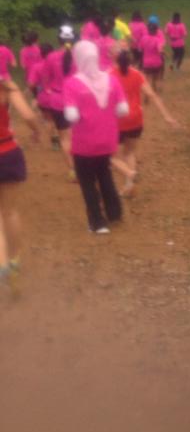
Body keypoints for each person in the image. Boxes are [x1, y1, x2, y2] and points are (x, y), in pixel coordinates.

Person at [63, 40, 128, 234]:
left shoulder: (72, 83)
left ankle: (97, 223)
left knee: (87, 182)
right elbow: (123, 110)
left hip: (84, 143)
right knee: (105, 174)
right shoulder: (111, 79)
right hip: (107, 140)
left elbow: (71, 116)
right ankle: (114, 213)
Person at [113, 50, 179, 197]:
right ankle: (130, 185)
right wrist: (167, 117)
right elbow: (152, 95)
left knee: (111, 155)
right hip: (135, 119)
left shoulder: (110, 74)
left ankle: (129, 173)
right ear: (132, 62)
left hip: (117, 120)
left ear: (116, 60)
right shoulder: (138, 75)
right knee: (129, 153)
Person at [0, 77, 40, 292]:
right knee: (9, 211)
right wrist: (36, 130)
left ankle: (2, 263)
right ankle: (14, 260)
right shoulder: (5, 86)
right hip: (8, 152)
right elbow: (28, 115)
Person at [43, 25, 77, 178]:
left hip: (58, 100)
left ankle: (73, 170)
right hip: (77, 99)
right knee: (78, 134)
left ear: (59, 40)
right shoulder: (78, 55)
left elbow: (45, 79)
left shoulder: (51, 57)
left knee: (64, 137)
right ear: (73, 39)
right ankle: (85, 166)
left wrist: (49, 90)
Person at [139, 19, 165, 92]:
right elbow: (160, 50)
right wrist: (163, 53)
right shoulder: (157, 40)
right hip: (156, 62)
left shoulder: (143, 38)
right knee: (156, 76)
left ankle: (148, 90)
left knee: (147, 78)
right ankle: (155, 86)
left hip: (146, 62)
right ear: (155, 31)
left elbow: (140, 49)